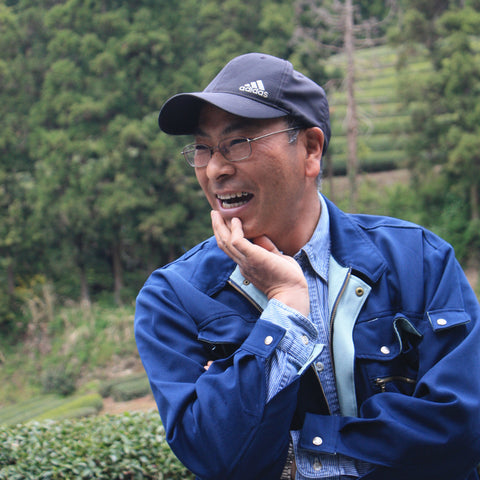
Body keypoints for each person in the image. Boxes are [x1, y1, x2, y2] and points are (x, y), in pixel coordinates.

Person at [134, 52, 480, 480]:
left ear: (311, 150)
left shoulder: (419, 259)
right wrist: (284, 307)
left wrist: (297, 454)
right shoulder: (174, 297)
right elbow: (216, 456)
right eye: (203, 149)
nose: (217, 169)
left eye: (238, 143)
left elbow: (462, 429)